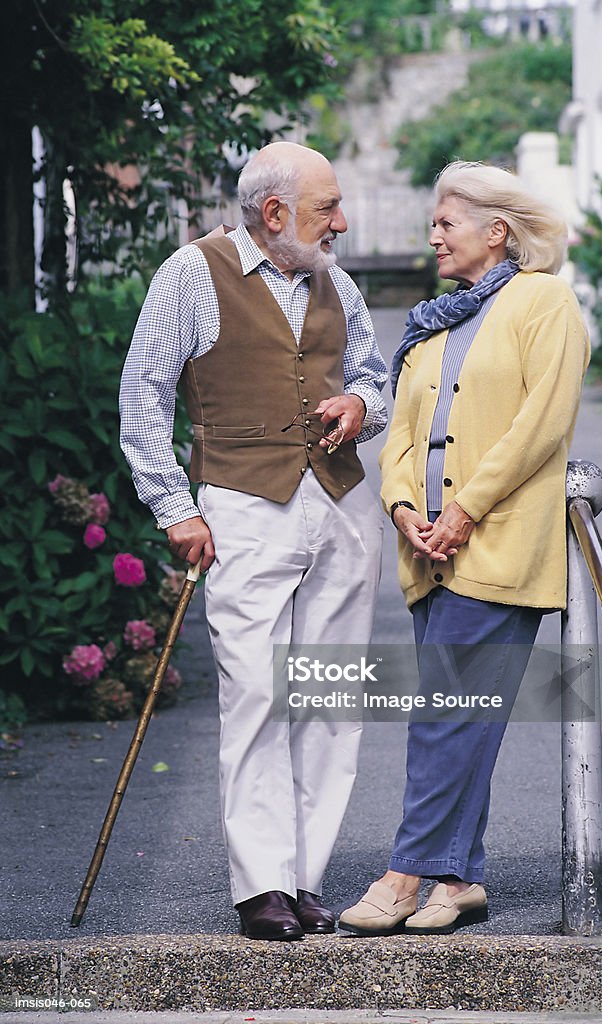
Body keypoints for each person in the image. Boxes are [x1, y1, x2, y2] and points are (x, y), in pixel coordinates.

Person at [119, 142, 387, 941]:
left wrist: (361, 409)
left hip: (339, 506)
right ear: (274, 214)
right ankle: (260, 884)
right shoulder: (191, 274)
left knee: (332, 698)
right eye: (325, 207)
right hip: (241, 505)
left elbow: (375, 373)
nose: (341, 222)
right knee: (260, 695)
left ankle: (303, 879)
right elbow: (143, 390)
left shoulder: (337, 282)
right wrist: (174, 507)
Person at [339, 160, 590, 937]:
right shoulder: (434, 321)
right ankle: (461, 878)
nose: (433, 235)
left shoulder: (543, 302)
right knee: (460, 713)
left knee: (442, 715)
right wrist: (405, 505)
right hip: (429, 551)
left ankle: (404, 873)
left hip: (497, 547)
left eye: (446, 222)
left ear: (497, 230)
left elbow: (540, 423)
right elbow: (403, 438)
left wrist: (466, 509)